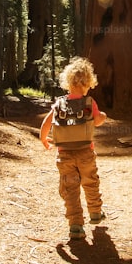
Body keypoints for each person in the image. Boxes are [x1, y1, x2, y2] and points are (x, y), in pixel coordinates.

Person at [39, 57, 107, 240]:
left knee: (70, 190)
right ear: (87, 84)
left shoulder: (59, 104)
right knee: (90, 182)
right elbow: (98, 120)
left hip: (64, 154)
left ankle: (76, 226)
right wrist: (103, 116)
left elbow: (47, 122)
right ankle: (95, 212)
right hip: (85, 152)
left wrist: (44, 138)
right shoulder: (89, 103)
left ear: (68, 83)